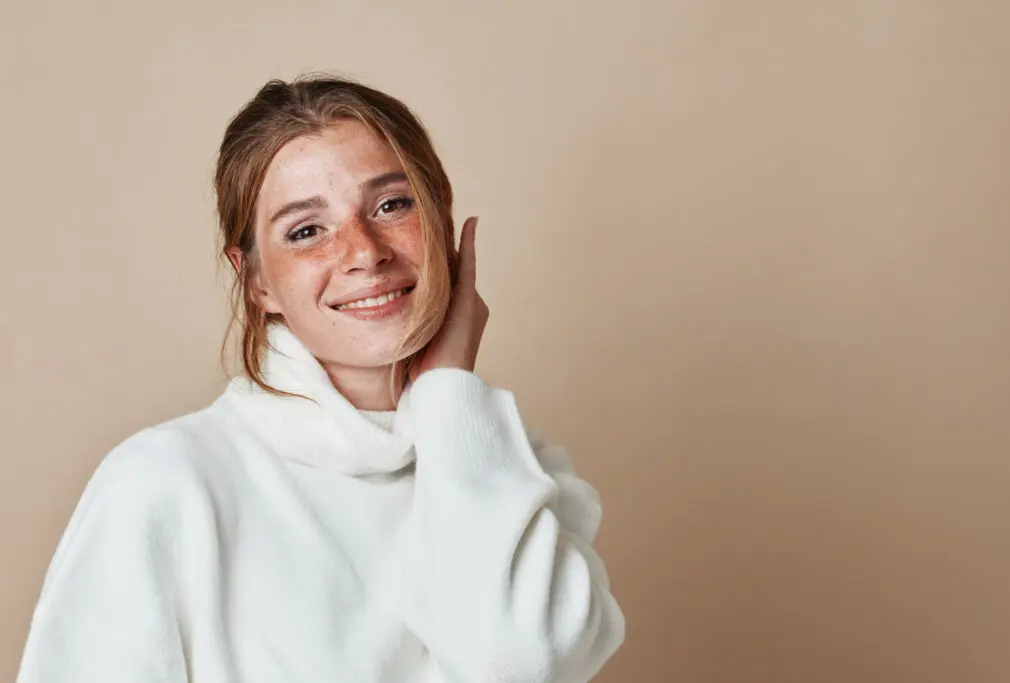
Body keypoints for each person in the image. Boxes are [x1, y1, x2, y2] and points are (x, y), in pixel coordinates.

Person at [17, 74, 625, 682]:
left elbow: (516, 666)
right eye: (307, 231)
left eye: (392, 205)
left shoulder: (518, 471)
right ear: (256, 280)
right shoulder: (165, 483)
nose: (364, 251)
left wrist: (446, 393)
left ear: (441, 213)